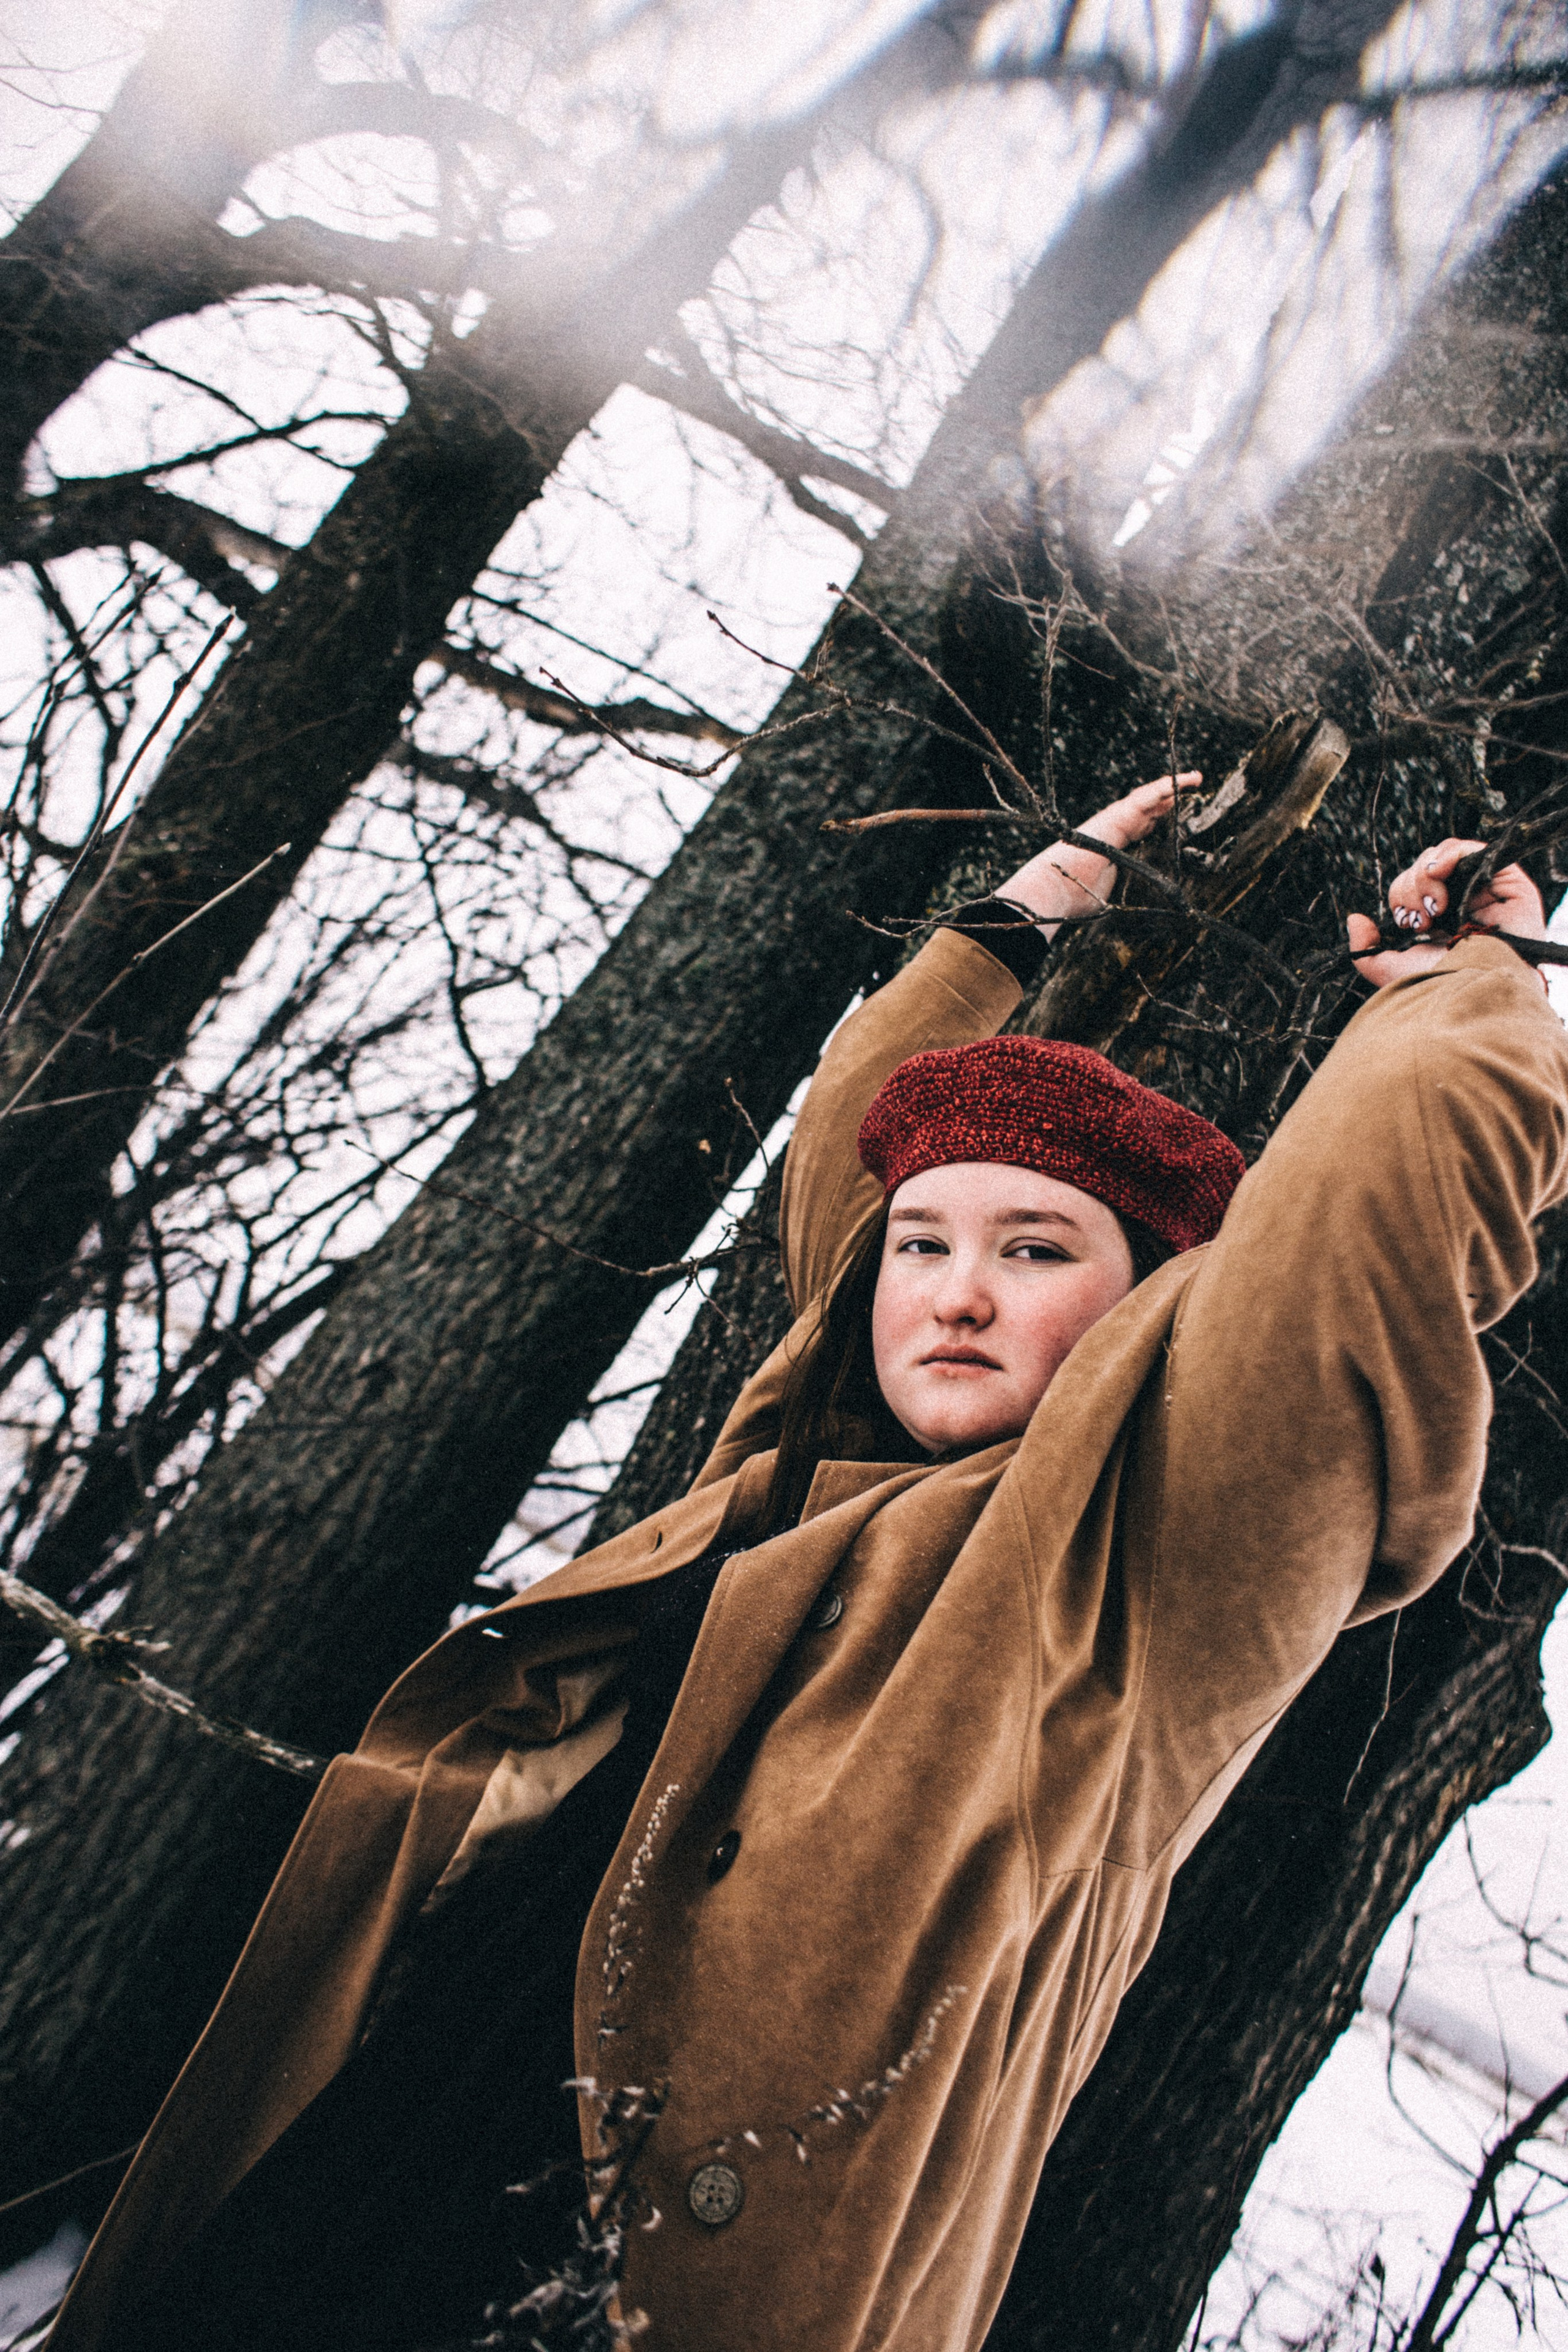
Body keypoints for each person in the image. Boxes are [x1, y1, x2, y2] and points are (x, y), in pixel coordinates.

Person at [42, 782, 1568, 2352]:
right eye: (923, 1244)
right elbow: (867, 1110)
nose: (956, 1293)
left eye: (1037, 1249)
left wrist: (1479, 980)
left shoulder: (1155, 1590)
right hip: (344, 2214)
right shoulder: (783, 1486)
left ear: (1145, 1304)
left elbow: (1357, 1234)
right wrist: (1042, 899)